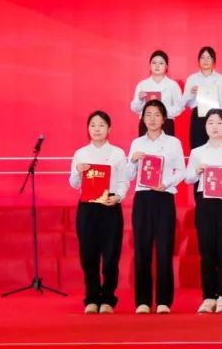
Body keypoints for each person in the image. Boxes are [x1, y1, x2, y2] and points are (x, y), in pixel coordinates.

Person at [126, 100, 186, 313]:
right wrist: (132, 161)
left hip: (164, 198)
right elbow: (128, 176)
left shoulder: (173, 143)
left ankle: (163, 301)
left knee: (164, 250)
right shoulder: (136, 143)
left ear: (164, 119)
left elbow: (182, 171)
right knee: (142, 250)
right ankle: (143, 301)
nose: (152, 119)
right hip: (143, 198)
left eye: (157, 114)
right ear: (142, 118)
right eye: (148, 114)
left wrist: (166, 183)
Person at [184, 109, 222, 313]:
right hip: (205, 204)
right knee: (207, 251)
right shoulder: (197, 152)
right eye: (210, 122)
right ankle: (209, 296)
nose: (215, 127)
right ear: (205, 126)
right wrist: (197, 170)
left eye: (219, 122)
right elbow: (188, 179)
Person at [69, 110, 128, 314]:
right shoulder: (80, 153)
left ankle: (108, 298)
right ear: (88, 129)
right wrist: (78, 171)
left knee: (111, 257)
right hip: (87, 208)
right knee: (88, 256)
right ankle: (92, 298)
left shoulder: (117, 153)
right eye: (93, 125)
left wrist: (118, 197)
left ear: (109, 129)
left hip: (109, 205)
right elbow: (74, 183)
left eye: (101, 125)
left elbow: (123, 181)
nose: (97, 129)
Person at [181, 46, 222, 151]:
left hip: (215, 117)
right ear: (198, 60)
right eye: (202, 57)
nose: (205, 60)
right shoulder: (192, 79)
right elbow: (184, 104)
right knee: (197, 149)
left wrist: (219, 116)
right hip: (197, 117)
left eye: (209, 58)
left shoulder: (221, 79)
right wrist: (191, 93)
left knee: (216, 149)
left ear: (214, 60)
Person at [129, 50, 184, 136]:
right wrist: (139, 99)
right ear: (150, 65)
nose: (157, 66)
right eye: (154, 63)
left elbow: (180, 107)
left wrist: (163, 113)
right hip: (146, 124)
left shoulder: (173, 85)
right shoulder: (143, 84)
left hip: (166, 123)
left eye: (161, 63)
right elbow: (134, 108)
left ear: (166, 66)